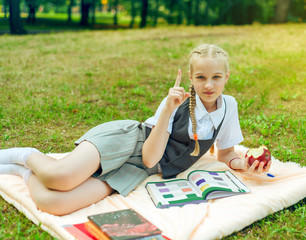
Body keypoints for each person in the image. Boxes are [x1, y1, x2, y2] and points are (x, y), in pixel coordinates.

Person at [0, 44, 271, 216]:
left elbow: (225, 154)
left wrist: (244, 163)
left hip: (138, 170)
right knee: (60, 178)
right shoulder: (176, 103)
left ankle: (21, 171)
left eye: (216, 77)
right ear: (191, 78)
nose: (208, 85)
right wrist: (167, 109)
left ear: (227, 77)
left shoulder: (229, 106)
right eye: (200, 77)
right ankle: (27, 154)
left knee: (55, 204)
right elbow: (150, 157)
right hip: (129, 142)